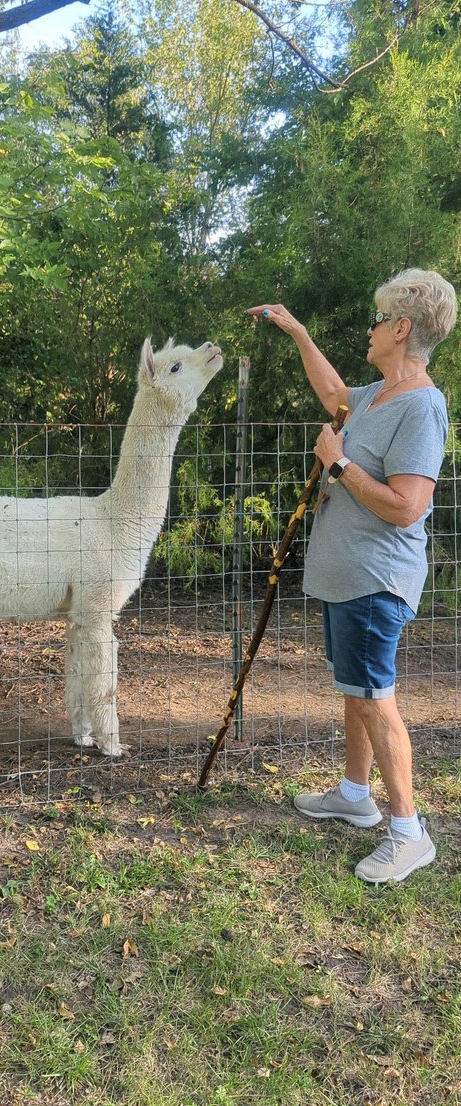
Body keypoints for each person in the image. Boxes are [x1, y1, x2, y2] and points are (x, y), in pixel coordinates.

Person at [247, 268, 458, 884]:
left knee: (374, 698)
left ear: (401, 328)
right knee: (356, 690)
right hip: (347, 576)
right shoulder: (372, 398)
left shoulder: (421, 407)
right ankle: (354, 795)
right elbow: (335, 392)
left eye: (376, 319)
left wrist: (336, 466)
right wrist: (299, 334)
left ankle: (407, 831)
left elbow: (407, 506)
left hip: (376, 578)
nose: (368, 330)